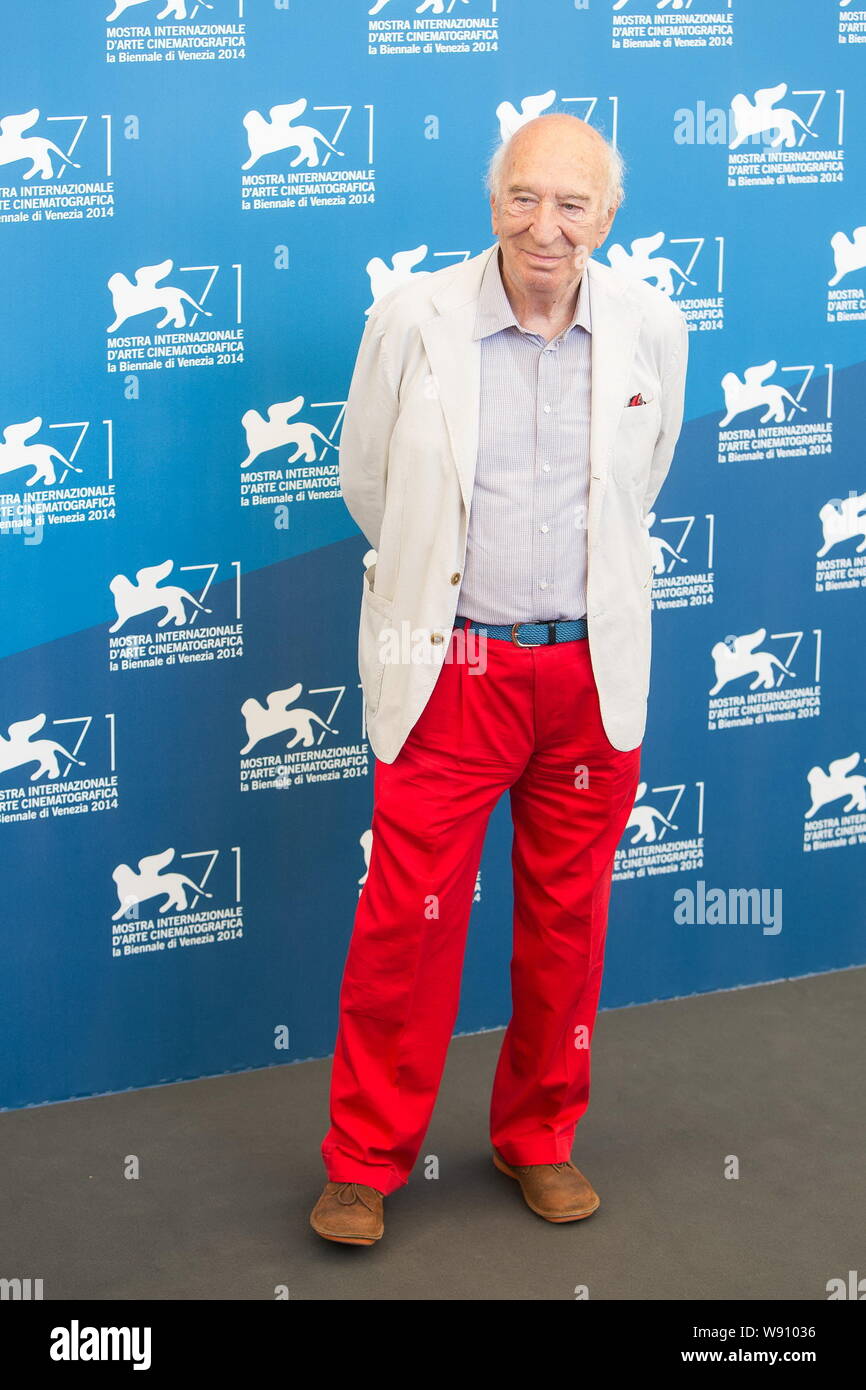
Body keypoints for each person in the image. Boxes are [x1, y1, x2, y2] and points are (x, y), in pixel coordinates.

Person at [311, 112, 689, 1245]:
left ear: (607, 219)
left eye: (571, 204)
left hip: (583, 673)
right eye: (524, 197)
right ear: (492, 204)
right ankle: (364, 1160)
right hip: (454, 671)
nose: (545, 224)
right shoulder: (413, 320)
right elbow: (368, 482)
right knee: (405, 924)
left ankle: (539, 1137)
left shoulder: (651, 327)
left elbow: (643, 479)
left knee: (566, 923)